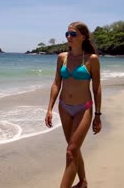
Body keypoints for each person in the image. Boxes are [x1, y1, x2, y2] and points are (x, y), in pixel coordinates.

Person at [45, 21, 102, 188]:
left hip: (83, 108)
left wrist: (98, 115)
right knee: (73, 150)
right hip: (64, 107)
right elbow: (56, 83)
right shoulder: (62, 57)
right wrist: (49, 108)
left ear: (83, 37)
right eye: (67, 34)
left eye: (73, 34)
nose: (69, 37)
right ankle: (83, 182)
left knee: (70, 151)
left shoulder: (92, 59)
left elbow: (97, 86)